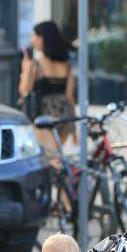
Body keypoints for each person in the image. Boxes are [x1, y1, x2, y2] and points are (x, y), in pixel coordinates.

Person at [17, 21, 76, 154]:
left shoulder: (34, 65)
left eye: (34, 36)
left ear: (42, 38)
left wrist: (25, 69)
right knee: (57, 156)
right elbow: (70, 96)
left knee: (53, 159)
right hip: (65, 115)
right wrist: (74, 128)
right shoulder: (66, 65)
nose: (32, 40)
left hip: (44, 116)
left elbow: (24, 91)